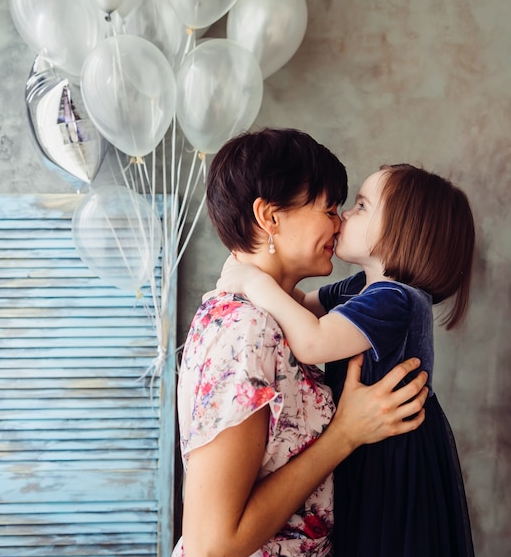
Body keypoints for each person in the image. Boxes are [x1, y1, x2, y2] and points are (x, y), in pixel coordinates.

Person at [172, 128, 430, 557]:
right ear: (270, 217)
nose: (339, 221)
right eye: (328, 208)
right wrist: (343, 436)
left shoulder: (274, 316)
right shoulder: (246, 331)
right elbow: (211, 546)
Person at [217, 162, 476, 556]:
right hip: (365, 439)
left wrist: (254, 282)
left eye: (361, 206)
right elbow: (301, 305)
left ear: (401, 230)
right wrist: (251, 265)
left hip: (390, 459)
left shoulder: (398, 300)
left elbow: (312, 342)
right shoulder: (362, 286)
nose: (344, 216)